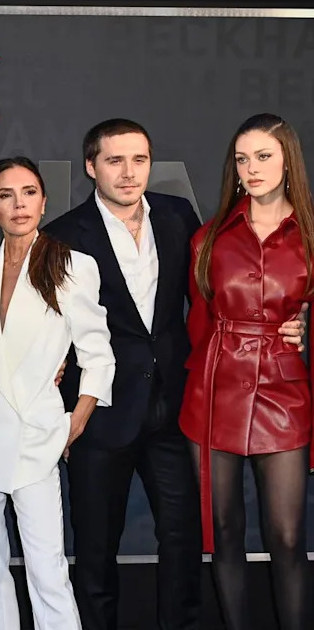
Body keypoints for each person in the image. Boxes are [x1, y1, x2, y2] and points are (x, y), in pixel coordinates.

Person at [43, 118, 306, 630]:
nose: (128, 172)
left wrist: (298, 322)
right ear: (91, 167)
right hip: (102, 414)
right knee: (95, 547)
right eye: (114, 161)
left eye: (139, 160)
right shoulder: (62, 237)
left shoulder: (178, 215)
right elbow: (48, 331)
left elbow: (217, 295)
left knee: (185, 540)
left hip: (177, 409)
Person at [0, 157, 114, 629]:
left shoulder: (72, 265)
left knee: (47, 570)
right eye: (5, 195)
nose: (18, 204)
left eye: (28, 192)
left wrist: (77, 420)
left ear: (44, 201)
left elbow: (98, 354)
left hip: (36, 440)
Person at [181, 113, 314, 630]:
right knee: (224, 531)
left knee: (286, 537)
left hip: (285, 395)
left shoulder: (309, 237)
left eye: (264, 156)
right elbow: (197, 321)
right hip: (212, 394)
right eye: (242, 159)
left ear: (287, 162)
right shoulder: (208, 238)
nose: (252, 168)